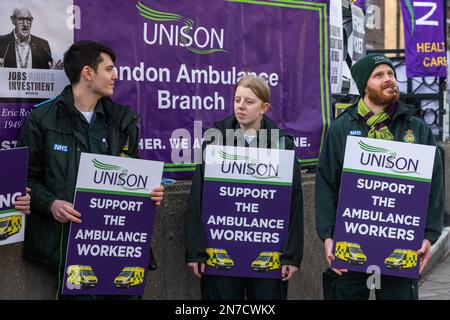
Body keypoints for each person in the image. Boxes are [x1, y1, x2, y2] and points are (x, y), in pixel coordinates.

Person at [16, 40, 164, 300]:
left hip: (120, 247)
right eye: (109, 69)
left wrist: (151, 192)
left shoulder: (122, 120)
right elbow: (25, 179)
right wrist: (50, 204)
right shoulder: (41, 119)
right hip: (69, 249)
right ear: (87, 73)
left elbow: (134, 174)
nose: (115, 75)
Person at [315, 53, 444, 300]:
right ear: (364, 85)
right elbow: (326, 185)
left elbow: (434, 184)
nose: (389, 79)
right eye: (379, 75)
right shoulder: (340, 128)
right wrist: (328, 235)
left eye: (391, 74)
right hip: (351, 251)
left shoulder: (416, 128)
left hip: (401, 250)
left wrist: (429, 235)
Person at [185, 75, 303, 300]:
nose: (240, 106)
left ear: (264, 107)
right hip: (220, 252)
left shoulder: (282, 146)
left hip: (268, 254)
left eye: (249, 102)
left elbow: (295, 204)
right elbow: (197, 199)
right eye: (237, 100)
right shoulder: (215, 142)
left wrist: (291, 257)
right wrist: (196, 252)